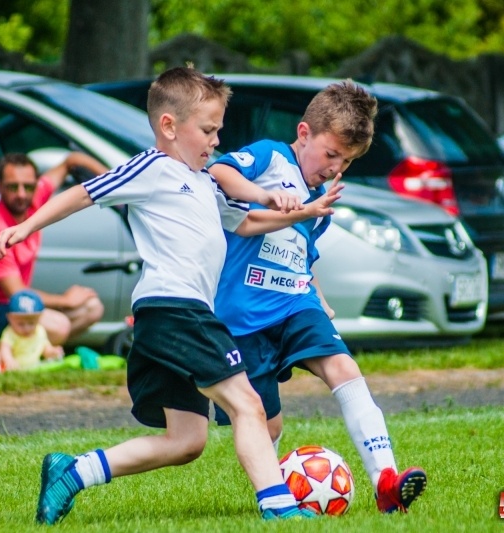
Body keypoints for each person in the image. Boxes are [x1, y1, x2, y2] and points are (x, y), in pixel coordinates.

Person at [0, 66, 343, 524]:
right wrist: (26, 225)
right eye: (208, 130)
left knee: (186, 441)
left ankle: (73, 471)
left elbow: (246, 222)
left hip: (177, 315)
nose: (216, 140)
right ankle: (279, 507)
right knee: (247, 403)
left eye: (218, 130)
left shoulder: (205, 182)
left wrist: (300, 211)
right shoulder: (153, 167)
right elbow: (83, 193)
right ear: (169, 126)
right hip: (175, 309)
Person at [209, 80, 427, 514]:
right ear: (304, 133)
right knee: (266, 424)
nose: (335, 167)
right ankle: (276, 495)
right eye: (331, 154)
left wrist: (319, 296)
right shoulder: (271, 157)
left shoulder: (319, 204)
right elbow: (220, 173)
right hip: (241, 318)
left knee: (344, 368)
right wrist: (265, 194)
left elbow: (302, 258)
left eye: (346, 161)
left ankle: (385, 480)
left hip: (295, 303)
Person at [0, 151, 107, 346]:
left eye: (28, 186)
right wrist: (65, 300)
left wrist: (115, 181)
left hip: (20, 305)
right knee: (58, 325)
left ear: (36, 185)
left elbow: (71, 160)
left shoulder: (34, 199)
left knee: (92, 308)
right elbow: (17, 294)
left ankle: (32, 350)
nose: (21, 194)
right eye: (13, 187)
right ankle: (14, 351)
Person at [0, 289, 64, 372]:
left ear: (39, 318)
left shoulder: (40, 331)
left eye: (31, 323)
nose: (26, 328)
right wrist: (9, 360)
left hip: (35, 367)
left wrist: (52, 352)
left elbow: (45, 348)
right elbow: (5, 350)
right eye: (21, 324)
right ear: (10, 318)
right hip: (16, 367)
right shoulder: (10, 333)